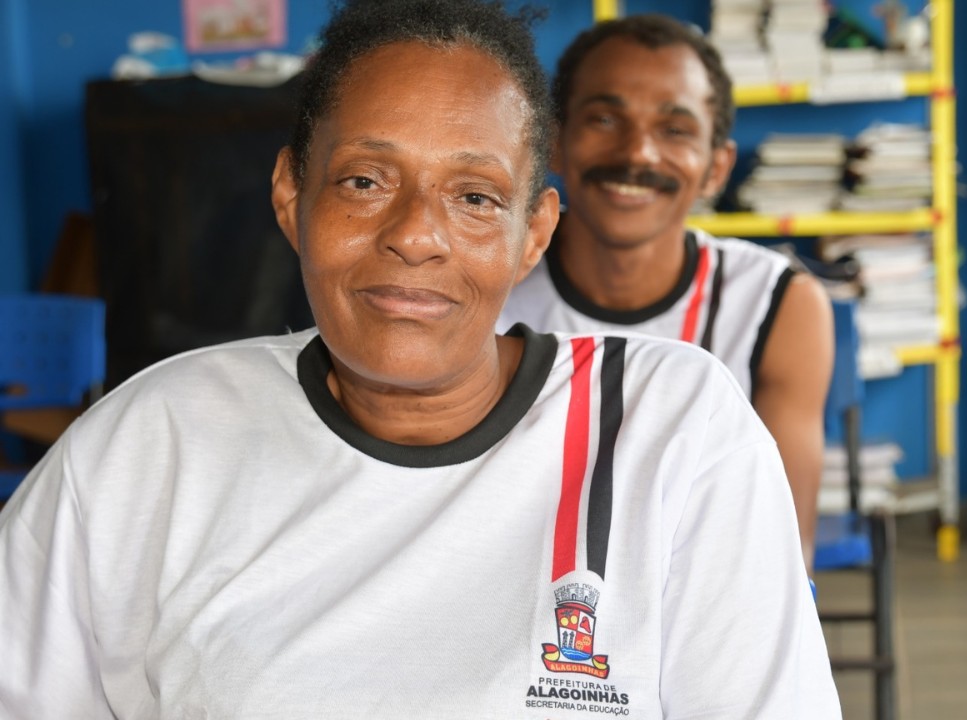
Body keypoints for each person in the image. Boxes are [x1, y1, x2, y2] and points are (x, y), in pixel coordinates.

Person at [0, 1, 840, 718]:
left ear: (533, 233)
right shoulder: (150, 445)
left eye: (475, 197)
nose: (414, 234)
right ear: (292, 197)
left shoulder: (673, 430)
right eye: (366, 181)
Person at [498, 14, 835, 572]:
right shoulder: (486, 286)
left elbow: (781, 551)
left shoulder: (779, 304)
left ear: (715, 168)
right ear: (553, 141)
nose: (638, 154)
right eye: (605, 118)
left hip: (701, 607)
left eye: (674, 129)